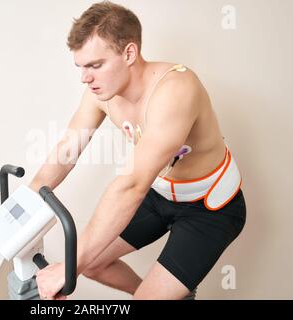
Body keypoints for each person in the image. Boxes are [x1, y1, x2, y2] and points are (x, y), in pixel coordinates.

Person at [30, 1, 246, 300]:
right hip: (159, 194)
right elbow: (66, 150)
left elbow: (130, 186)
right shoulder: (100, 94)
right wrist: (24, 202)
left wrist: (68, 267)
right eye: (81, 67)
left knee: (82, 262)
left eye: (95, 65)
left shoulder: (176, 89)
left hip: (209, 207)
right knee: (92, 264)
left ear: (129, 53)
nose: (85, 77)